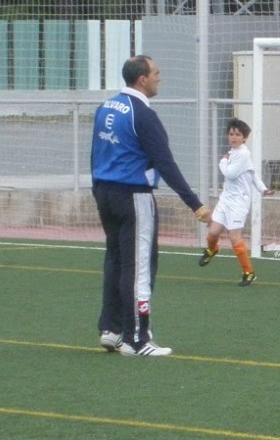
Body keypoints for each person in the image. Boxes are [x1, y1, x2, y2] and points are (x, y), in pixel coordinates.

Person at [91, 55, 208, 357]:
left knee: (115, 260)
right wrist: (195, 204)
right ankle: (138, 339)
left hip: (105, 192)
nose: (159, 77)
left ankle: (112, 329)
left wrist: (98, 189)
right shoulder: (142, 114)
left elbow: (96, 153)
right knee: (139, 267)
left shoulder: (106, 107)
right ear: (142, 79)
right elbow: (165, 163)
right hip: (134, 196)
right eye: (156, 73)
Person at [197, 118, 274, 287]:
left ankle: (249, 272)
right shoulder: (233, 152)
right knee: (212, 233)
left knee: (234, 238)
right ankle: (212, 249)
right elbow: (252, 174)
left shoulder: (243, 154)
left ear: (244, 138)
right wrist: (263, 189)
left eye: (238, 134)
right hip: (225, 200)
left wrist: (222, 161)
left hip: (239, 203)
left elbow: (230, 174)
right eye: (231, 134)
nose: (234, 137)